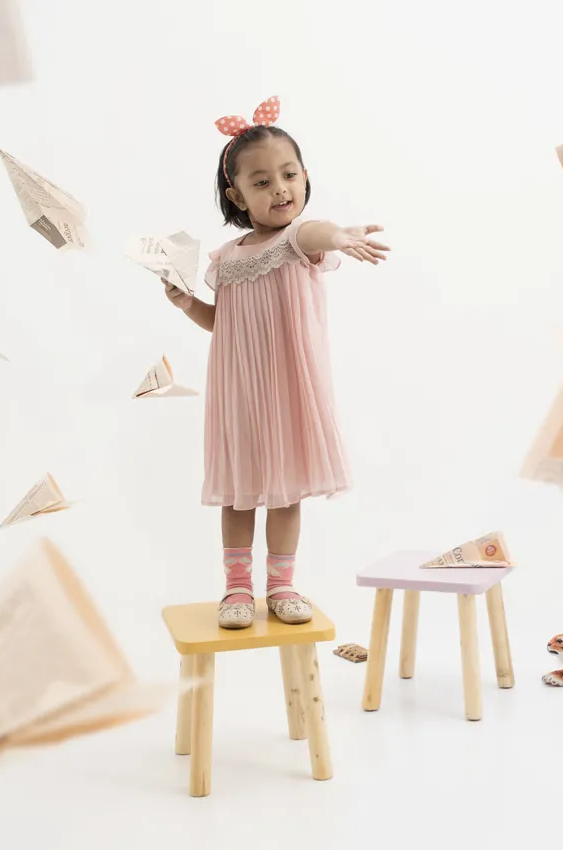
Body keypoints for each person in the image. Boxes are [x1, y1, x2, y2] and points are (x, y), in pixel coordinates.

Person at [163, 95, 390, 629]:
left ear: (305, 178)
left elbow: (317, 231)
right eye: (261, 182)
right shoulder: (226, 259)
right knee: (239, 493)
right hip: (238, 389)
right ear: (236, 195)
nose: (280, 189)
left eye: (289, 175)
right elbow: (224, 322)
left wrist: (339, 236)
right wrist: (187, 304)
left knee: (286, 493)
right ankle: (237, 588)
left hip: (288, 387)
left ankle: (281, 585)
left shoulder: (297, 239)